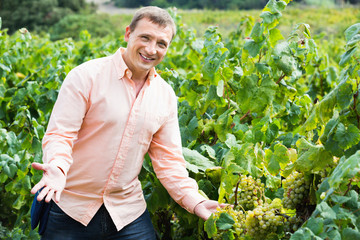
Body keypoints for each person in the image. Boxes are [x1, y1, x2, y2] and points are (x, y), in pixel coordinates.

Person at [30, 6, 225, 240]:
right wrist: (58, 168)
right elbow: (61, 135)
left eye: (161, 43)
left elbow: (169, 162)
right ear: (128, 34)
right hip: (70, 207)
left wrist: (196, 201)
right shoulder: (86, 76)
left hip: (127, 214)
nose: (151, 49)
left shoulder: (165, 96)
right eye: (145, 37)